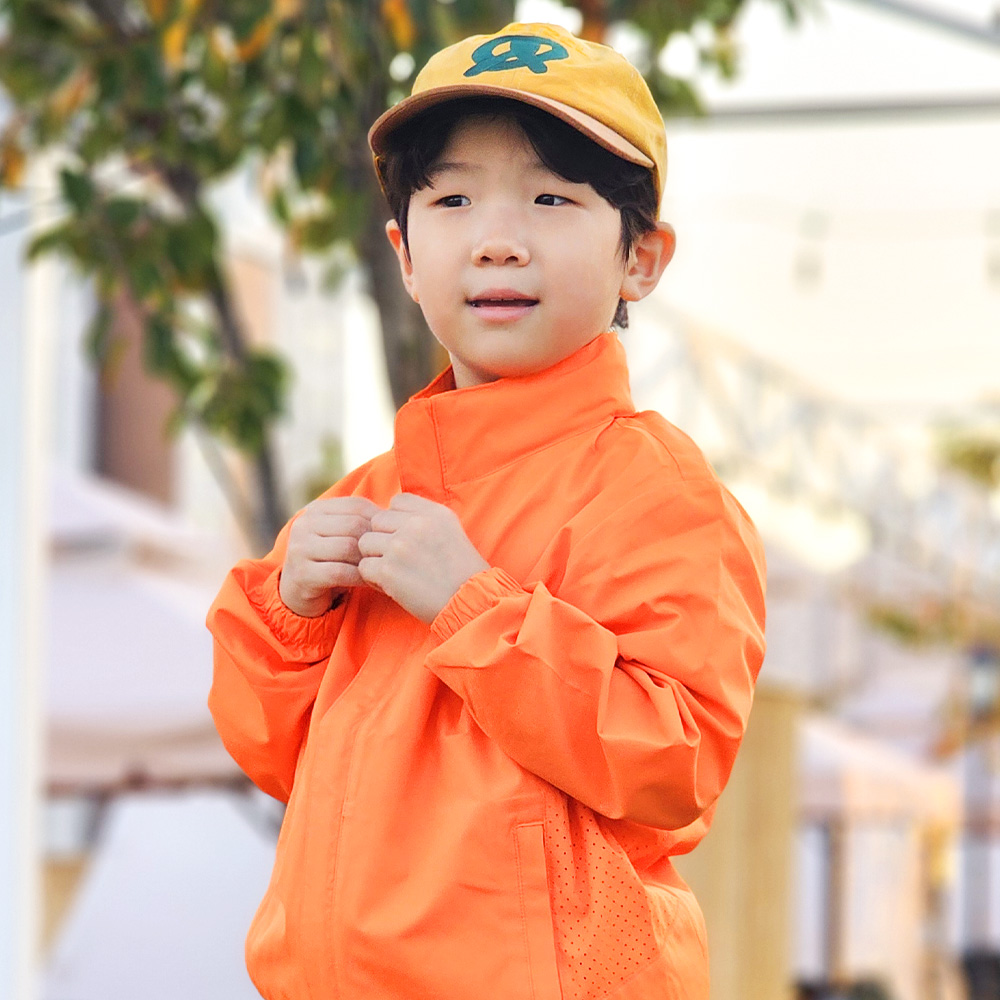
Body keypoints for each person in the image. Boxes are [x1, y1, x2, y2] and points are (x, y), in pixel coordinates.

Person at [207, 21, 766, 1000]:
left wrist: (476, 610)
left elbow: (673, 762)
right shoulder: (366, 499)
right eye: (452, 199)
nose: (497, 240)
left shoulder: (652, 489)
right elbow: (271, 749)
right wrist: (291, 613)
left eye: (551, 198)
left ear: (641, 258)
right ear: (404, 254)